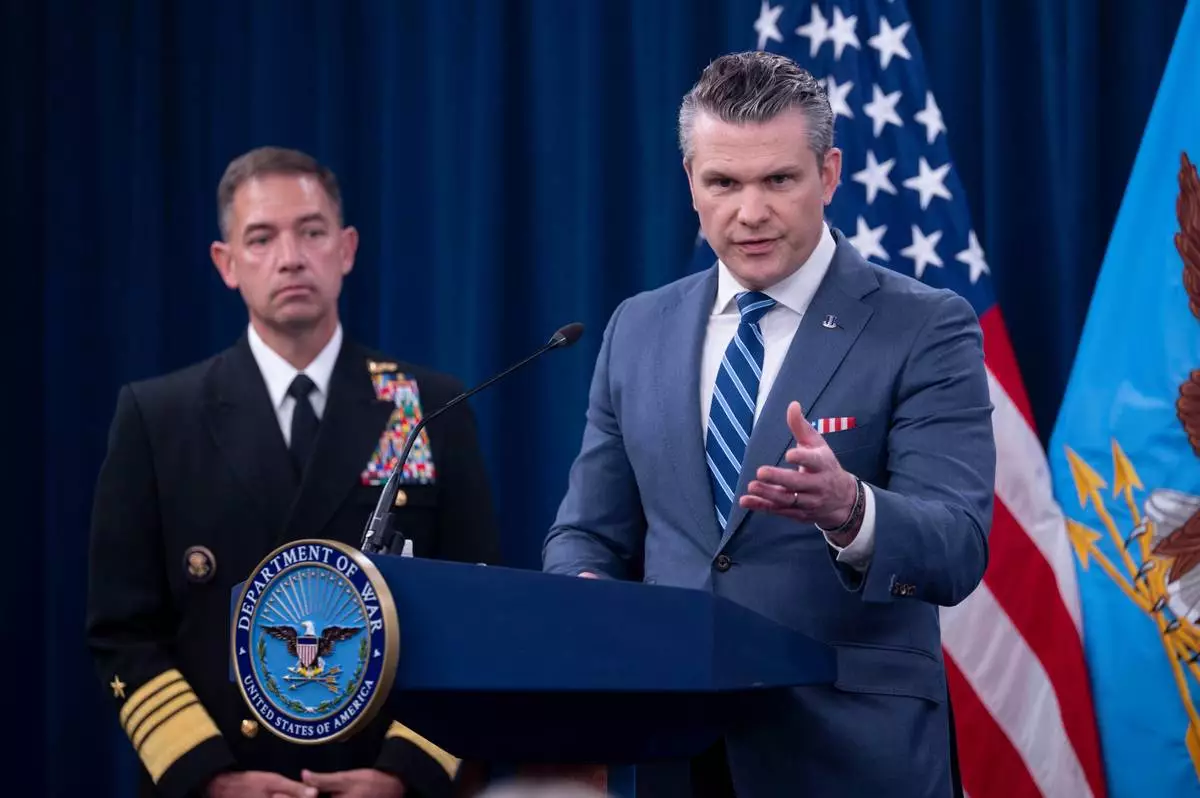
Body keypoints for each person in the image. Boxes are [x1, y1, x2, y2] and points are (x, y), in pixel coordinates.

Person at [542, 51, 994, 798]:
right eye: (723, 182)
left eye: (778, 180)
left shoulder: (925, 325)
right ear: (691, 182)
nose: (749, 212)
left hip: (851, 757)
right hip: (669, 753)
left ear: (830, 172)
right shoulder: (638, 328)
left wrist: (853, 511)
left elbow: (958, 547)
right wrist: (586, 591)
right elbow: (588, 532)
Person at [85, 146, 500, 798]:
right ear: (226, 264)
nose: (290, 256)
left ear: (347, 248)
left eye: (311, 231)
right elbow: (124, 631)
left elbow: (477, 611)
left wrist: (406, 772)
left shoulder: (427, 408)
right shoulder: (157, 418)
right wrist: (210, 775)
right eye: (261, 237)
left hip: (382, 780)